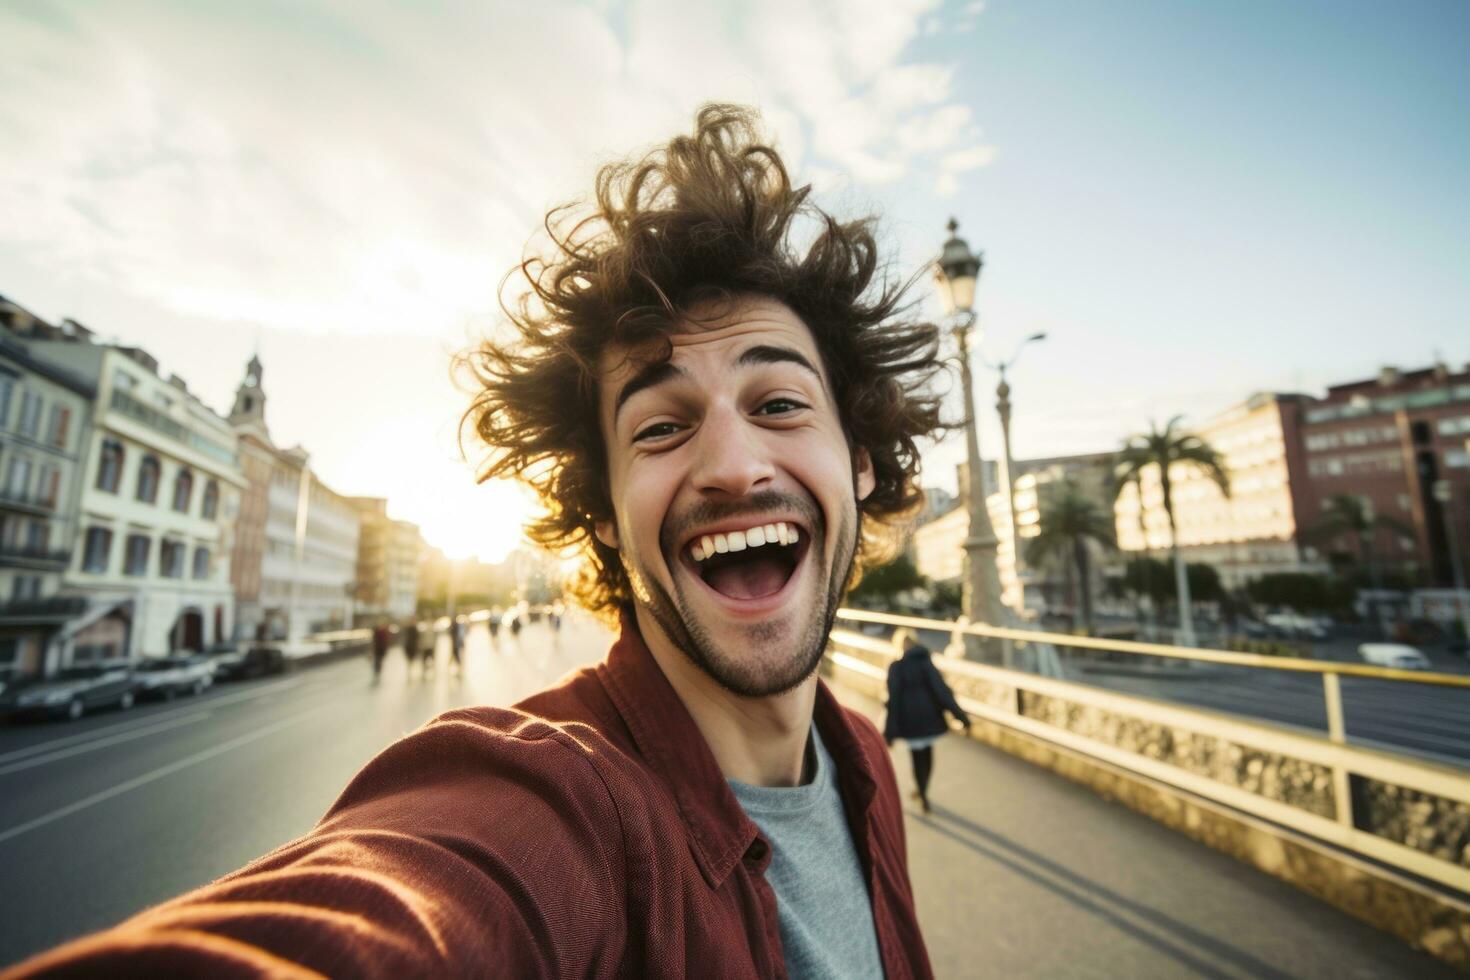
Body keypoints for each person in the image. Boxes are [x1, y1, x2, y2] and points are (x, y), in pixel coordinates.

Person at [11, 104, 943, 978]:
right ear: (610, 517)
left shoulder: (864, 765)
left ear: (859, 462)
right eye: (661, 427)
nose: (734, 466)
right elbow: (407, 901)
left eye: (779, 403)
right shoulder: (555, 798)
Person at [882, 629, 971, 815]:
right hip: (929, 718)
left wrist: (889, 732)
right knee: (927, 757)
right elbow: (942, 691)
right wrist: (961, 717)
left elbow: (893, 701)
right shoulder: (925, 662)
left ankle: (921, 791)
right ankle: (923, 791)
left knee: (917, 757)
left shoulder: (896, 667)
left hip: (909, 721)